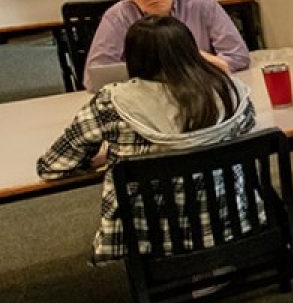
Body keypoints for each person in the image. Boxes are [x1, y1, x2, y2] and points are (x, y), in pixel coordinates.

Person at [37, 16, 257, 263]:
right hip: (232, 218)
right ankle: (216, 264)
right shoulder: (228, 91)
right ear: (190, 50)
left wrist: (106, 157)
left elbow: (53, 166)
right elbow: (246, 131)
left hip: (149, 234)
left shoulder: (112, 103)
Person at [85, 0, 251, 90]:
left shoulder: (202, 5)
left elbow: (237, 56)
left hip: (199, 88)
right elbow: (94, 77)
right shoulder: (117, 16)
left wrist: (190, 58)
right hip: (147, 95)